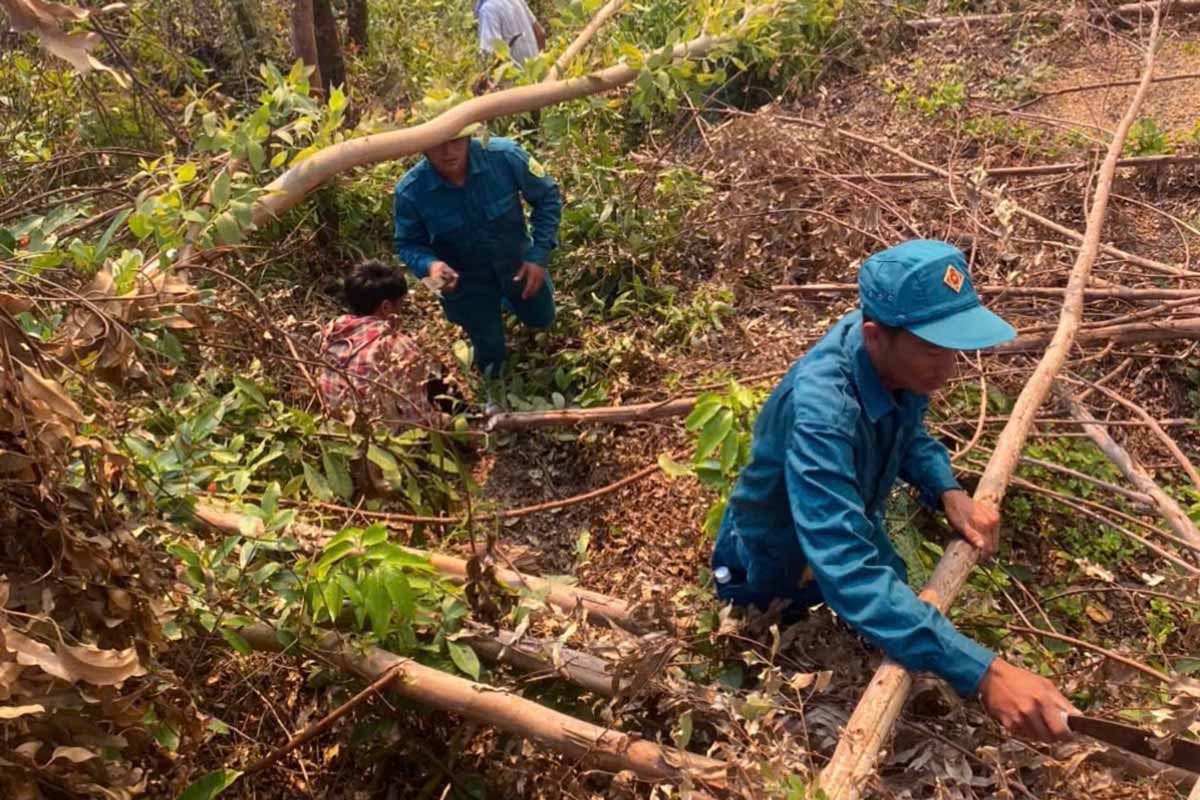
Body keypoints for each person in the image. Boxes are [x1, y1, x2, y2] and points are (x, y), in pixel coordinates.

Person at [711, 240, 1078, 742]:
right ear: (874, 337)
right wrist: (986, 673)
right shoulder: (823, 413)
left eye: (954, 346)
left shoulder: (894, 358)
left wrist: (947, 490)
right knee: (774, 671)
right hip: (770, 560)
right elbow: (842, 560)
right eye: (933, 349)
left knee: (883, 612)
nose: (948, 368)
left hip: (847, 522)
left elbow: (909, 434)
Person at [392, 126, 562, 382]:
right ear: (423, 146)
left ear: (469, 136)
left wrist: (538, 256)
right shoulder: (410, 192)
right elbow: (407, 244)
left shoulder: (505, 156)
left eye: (455, 140)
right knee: (489, 354)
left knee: (542, 318)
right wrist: (431, 266)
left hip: (517, 265)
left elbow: (548, 196)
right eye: (437, 143)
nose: (448, 151)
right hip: (463, 283)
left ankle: (508, 303)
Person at [317, 260, 439, 426]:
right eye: (401, 304)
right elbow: (418, 421)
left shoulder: (330, 333)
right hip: (384, 439)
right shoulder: (397, 345)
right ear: (386, 307)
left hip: (338, 430)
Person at [475, 0, 545, 66]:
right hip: (535, 74)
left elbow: (490, 55)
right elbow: (540, 33)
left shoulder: (488, 10)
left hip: (516, 77)